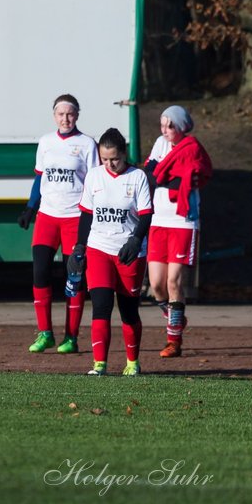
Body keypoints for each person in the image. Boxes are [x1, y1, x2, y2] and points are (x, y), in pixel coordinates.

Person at [17, 94, 99, 356]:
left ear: (77, 115)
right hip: (47, 217)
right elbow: (40, 178)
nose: (65, 118)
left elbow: (95, 183)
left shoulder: (87, 144)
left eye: (70, 114)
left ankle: (71, 337)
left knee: (73, 277)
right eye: (61, 114)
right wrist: (30, 207)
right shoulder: (46, 142)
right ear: (54, 115)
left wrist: (92, 215)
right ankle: (45, 333)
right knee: (40, 272)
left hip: (75, 218)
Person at [67, 127, 153, 376]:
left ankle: (132, 362)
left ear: (124, 154)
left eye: (114, 158)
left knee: (128, 310)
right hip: (99, 249)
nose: (110, 164)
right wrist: (79, 247)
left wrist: (136, 240)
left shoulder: (138, 177)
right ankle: (99, 365)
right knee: (101, 307)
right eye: (104, 159)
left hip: (128, 252)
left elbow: (146, 214)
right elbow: (86, 214)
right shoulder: (94, 176)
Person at [142, 104, 213, 358]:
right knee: (156, 285)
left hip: (182, 221)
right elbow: (150, 173)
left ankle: (174, 340)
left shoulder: (192, 148)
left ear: (181, 126)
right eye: (162, 124)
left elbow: (194, 177)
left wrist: (165, 176)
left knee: (174, 281)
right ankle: (175, 317)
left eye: (170, 125)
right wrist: (166, 176)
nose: (165, 130)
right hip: (159, 220)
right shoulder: (160, 144)